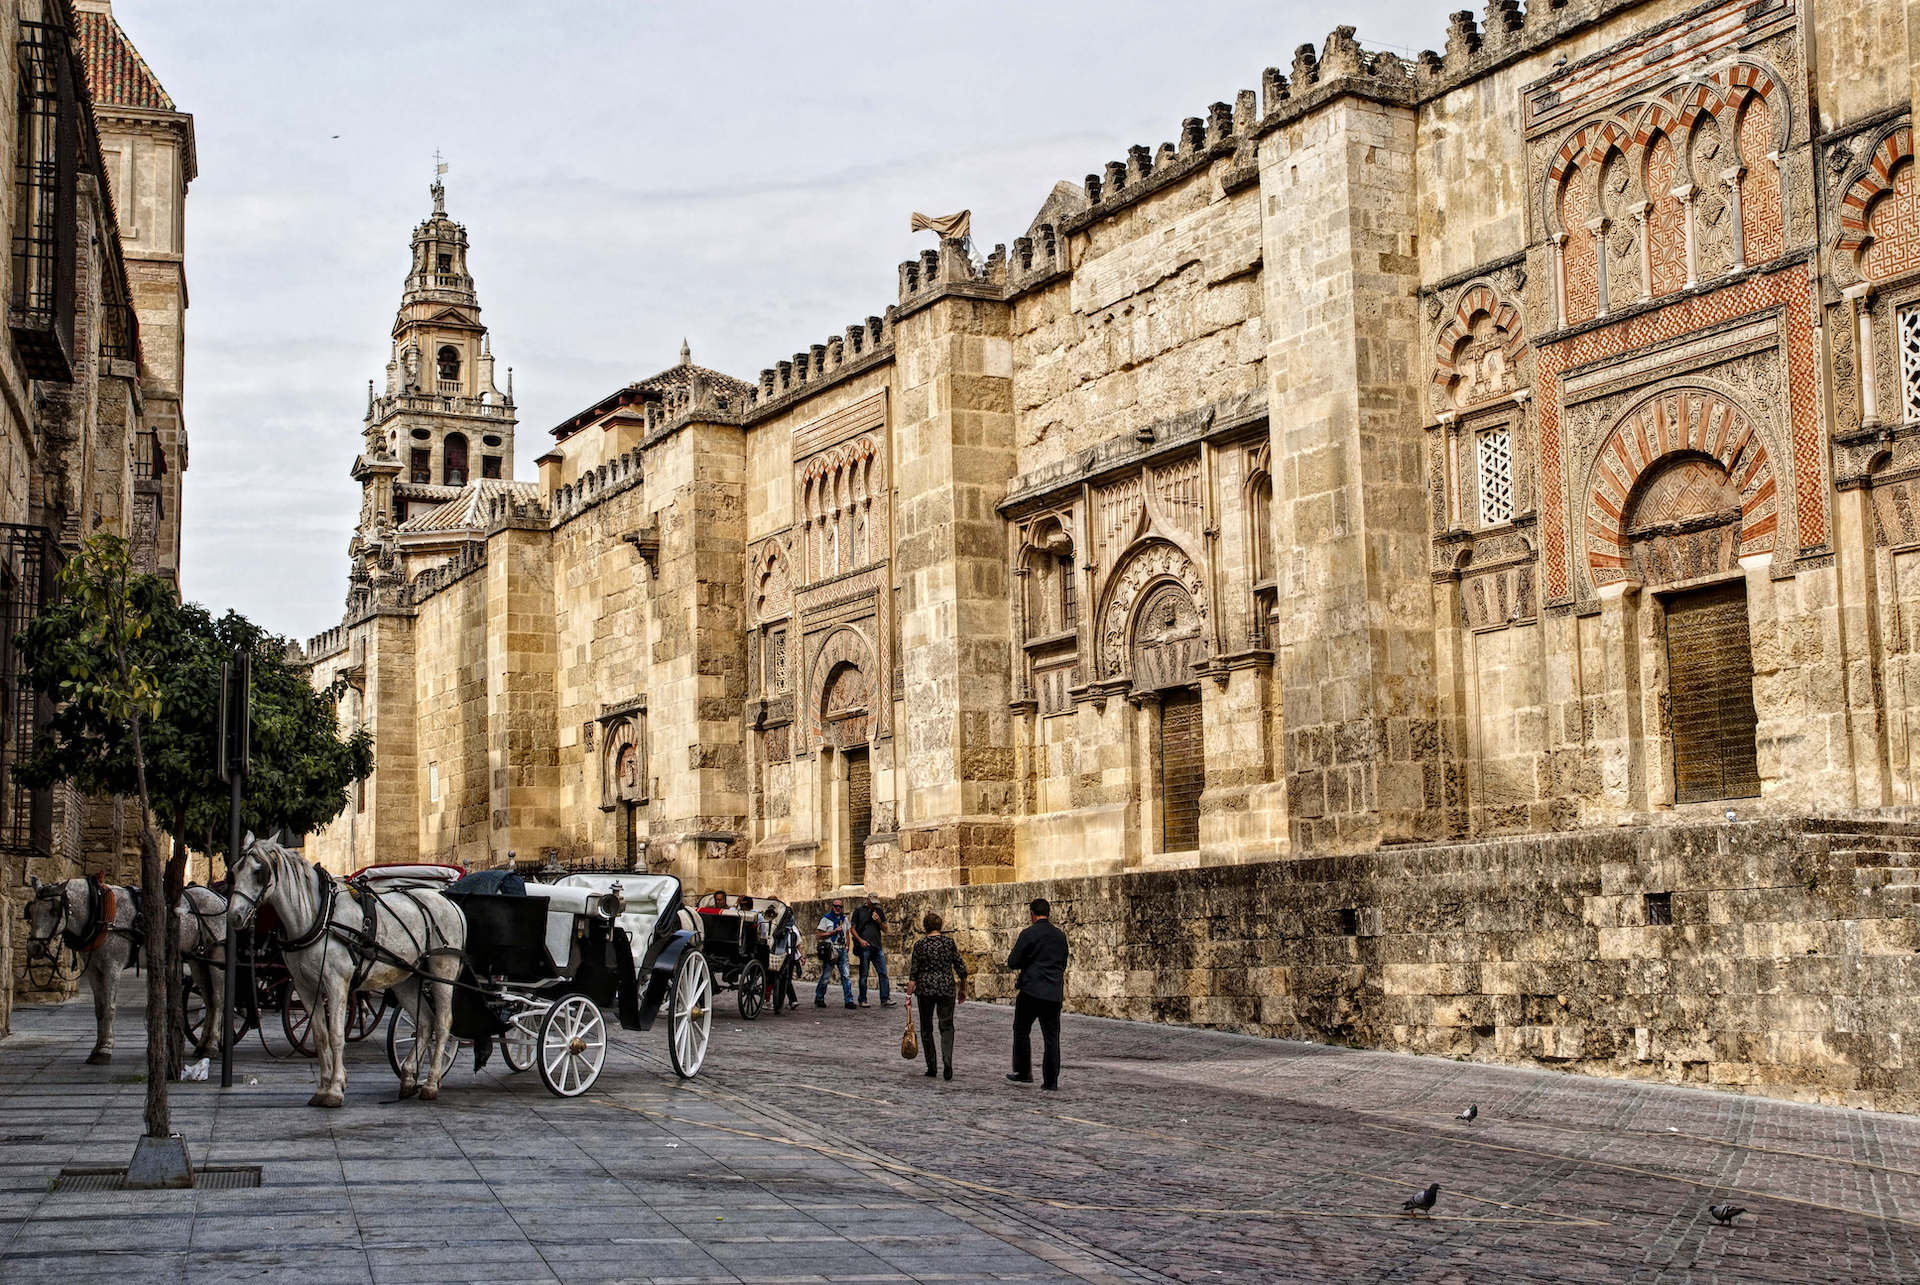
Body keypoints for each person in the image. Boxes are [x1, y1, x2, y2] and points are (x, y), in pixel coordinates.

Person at [1005, 897, 1068, 1090]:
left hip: (1031, 990)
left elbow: (1013, 961)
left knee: (1022, 1028)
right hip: (1053, 992)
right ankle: (1051, 1081)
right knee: (1051, 1036)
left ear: (1032, 913)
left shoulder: (1029, 934)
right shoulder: (1060, 936)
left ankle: (1024, 1071)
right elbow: (1063, 963)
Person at [905, 911, 967, 1080]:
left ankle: (931, 1066)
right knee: (947, 1026)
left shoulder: (920, 945)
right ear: (940, 927)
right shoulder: (949, 943)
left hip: (925, 989)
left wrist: (908, 996)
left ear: (925, 927)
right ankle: (947, 1061)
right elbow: (961, 968)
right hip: (946, 988)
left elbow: (913, 974)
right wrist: (963, 988)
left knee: (926, 1028)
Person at [850, 893, 893, 1007]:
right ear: (867, 900)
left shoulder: (879, 911)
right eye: (872, 902)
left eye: (875, 903)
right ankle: (862, 999)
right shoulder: (859, 911)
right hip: (865, 947)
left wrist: (878, 921)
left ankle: (885, 998)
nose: (874, 905)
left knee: (883, 972)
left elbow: (886, 929)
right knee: (864, 974)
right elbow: (852, 929)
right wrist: (860, 941)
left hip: (877, 946)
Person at [814, 897, 854, 1009]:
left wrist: (847, 947)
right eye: (836, 906)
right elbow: (819, 935)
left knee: (846, 976)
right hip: (831, 950)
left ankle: (849, 1000)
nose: (838, 908)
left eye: (840, 907)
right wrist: (833, 931)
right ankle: (819, 997)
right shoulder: (826, 919)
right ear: (832, 907)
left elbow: (847, 934)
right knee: (826, 976)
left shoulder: (844, 919)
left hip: (842, 950)